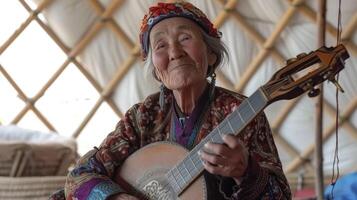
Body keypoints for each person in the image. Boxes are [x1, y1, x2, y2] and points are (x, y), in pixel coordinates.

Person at [64, 1, 291, 199]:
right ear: (155, 68)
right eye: (161, 45)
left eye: (185, 38)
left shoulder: (242, 112)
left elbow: (280, 196)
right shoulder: (142, 117)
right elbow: (79, 177)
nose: (174, 52)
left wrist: (246, 172)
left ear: (211, 53)